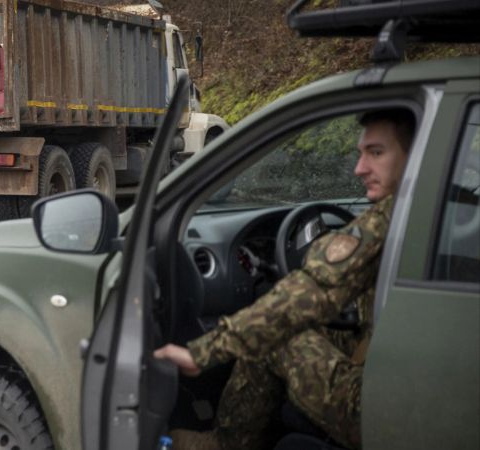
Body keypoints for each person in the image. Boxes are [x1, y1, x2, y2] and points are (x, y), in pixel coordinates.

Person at [154, 109, 416, 450]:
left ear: (413, 155)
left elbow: (308, 292)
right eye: (361, 153)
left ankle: (224, 444)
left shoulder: (391, 216)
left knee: (275, 335)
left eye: (377, 153)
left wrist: (203, 352)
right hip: (414, 374)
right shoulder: (441, 205)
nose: (359, 168)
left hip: (390, 409)